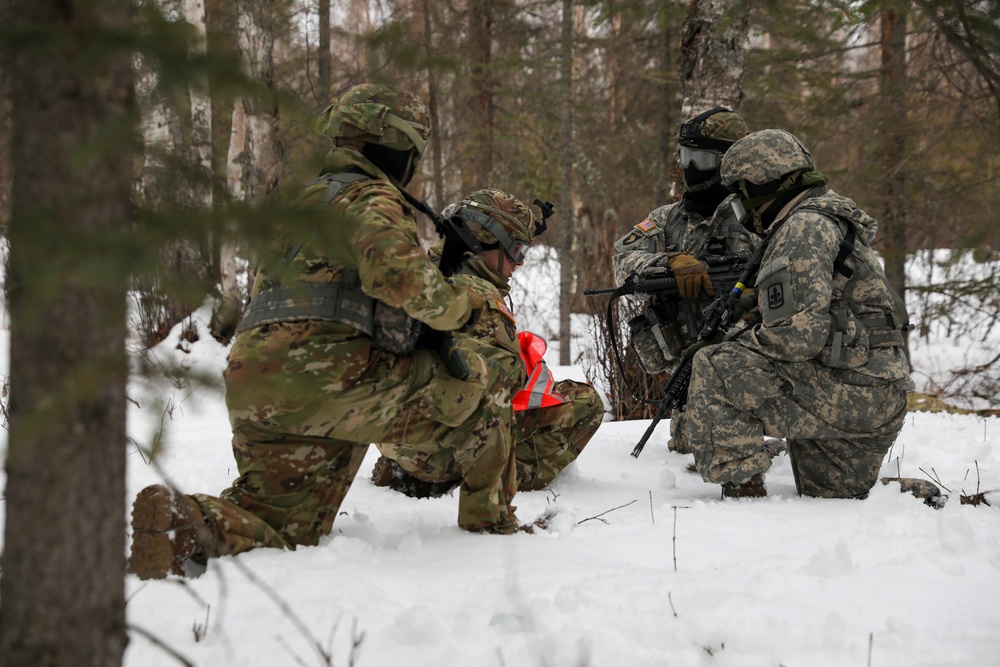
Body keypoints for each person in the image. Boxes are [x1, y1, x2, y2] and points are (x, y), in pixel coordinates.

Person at [128, 83, 523, 580]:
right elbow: (403, 281)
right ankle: (493, 529)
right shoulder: (373, 197)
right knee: (486, 383)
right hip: (339, 382)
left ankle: (186, 524)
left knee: (283, 523)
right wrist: (461, 309)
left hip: (257, 388)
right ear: (398, 147)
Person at [685, 128, 914, 499]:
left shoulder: (802, 229)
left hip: (851, 393)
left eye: (742, 193)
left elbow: (795, 338)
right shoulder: (823, 217)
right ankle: (928, 504)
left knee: (715, 366)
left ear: (762, 184)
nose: (743, 207)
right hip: (873, 393)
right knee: (832, 496)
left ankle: (744, 493)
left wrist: (729, 343)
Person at [372, 188, 604, 497]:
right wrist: (522, 366)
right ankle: (475, 483)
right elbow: (497, 387)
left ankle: (407, 465)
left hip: (394, 437)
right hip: (441, 450)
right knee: (586, 403)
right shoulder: (476, 295)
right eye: (516, 251)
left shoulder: (419, 274)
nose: (518, 264)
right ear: (485, 242)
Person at [612, 107, 756, 454]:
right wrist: (669, 262)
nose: (690, 168)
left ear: (729, 163)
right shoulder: (666, 220)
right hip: (690, 384)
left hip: (755, 372)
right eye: (685, 156)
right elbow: (622, 262)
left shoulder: (756, 218)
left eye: (701, 159)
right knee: (691, 448)